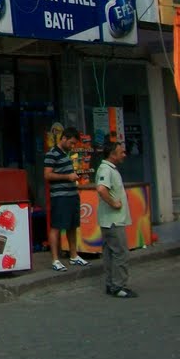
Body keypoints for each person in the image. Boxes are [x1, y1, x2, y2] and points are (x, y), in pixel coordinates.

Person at [43, 126, 89, 272]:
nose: (72, 146)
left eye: (74, 144)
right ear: (63, 138)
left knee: (72, 226)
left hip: (71, 195)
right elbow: (47, 175)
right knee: (56, 226)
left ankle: (74, 255)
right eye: (71, 143)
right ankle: (55, 259)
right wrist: (67, 177)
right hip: (59, 196)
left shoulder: (67, 154)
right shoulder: (52, 154)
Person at [95, 140, 136, 298]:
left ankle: (112, 284)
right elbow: (101, 189)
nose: (124, 155)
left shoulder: (110, 169)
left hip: (110, 220)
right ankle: (119, 286)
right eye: (121, 152)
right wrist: (114, 203)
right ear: (112, 154)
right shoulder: (106, 169)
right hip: (113, 220)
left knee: (110, 253)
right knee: (120, 253)